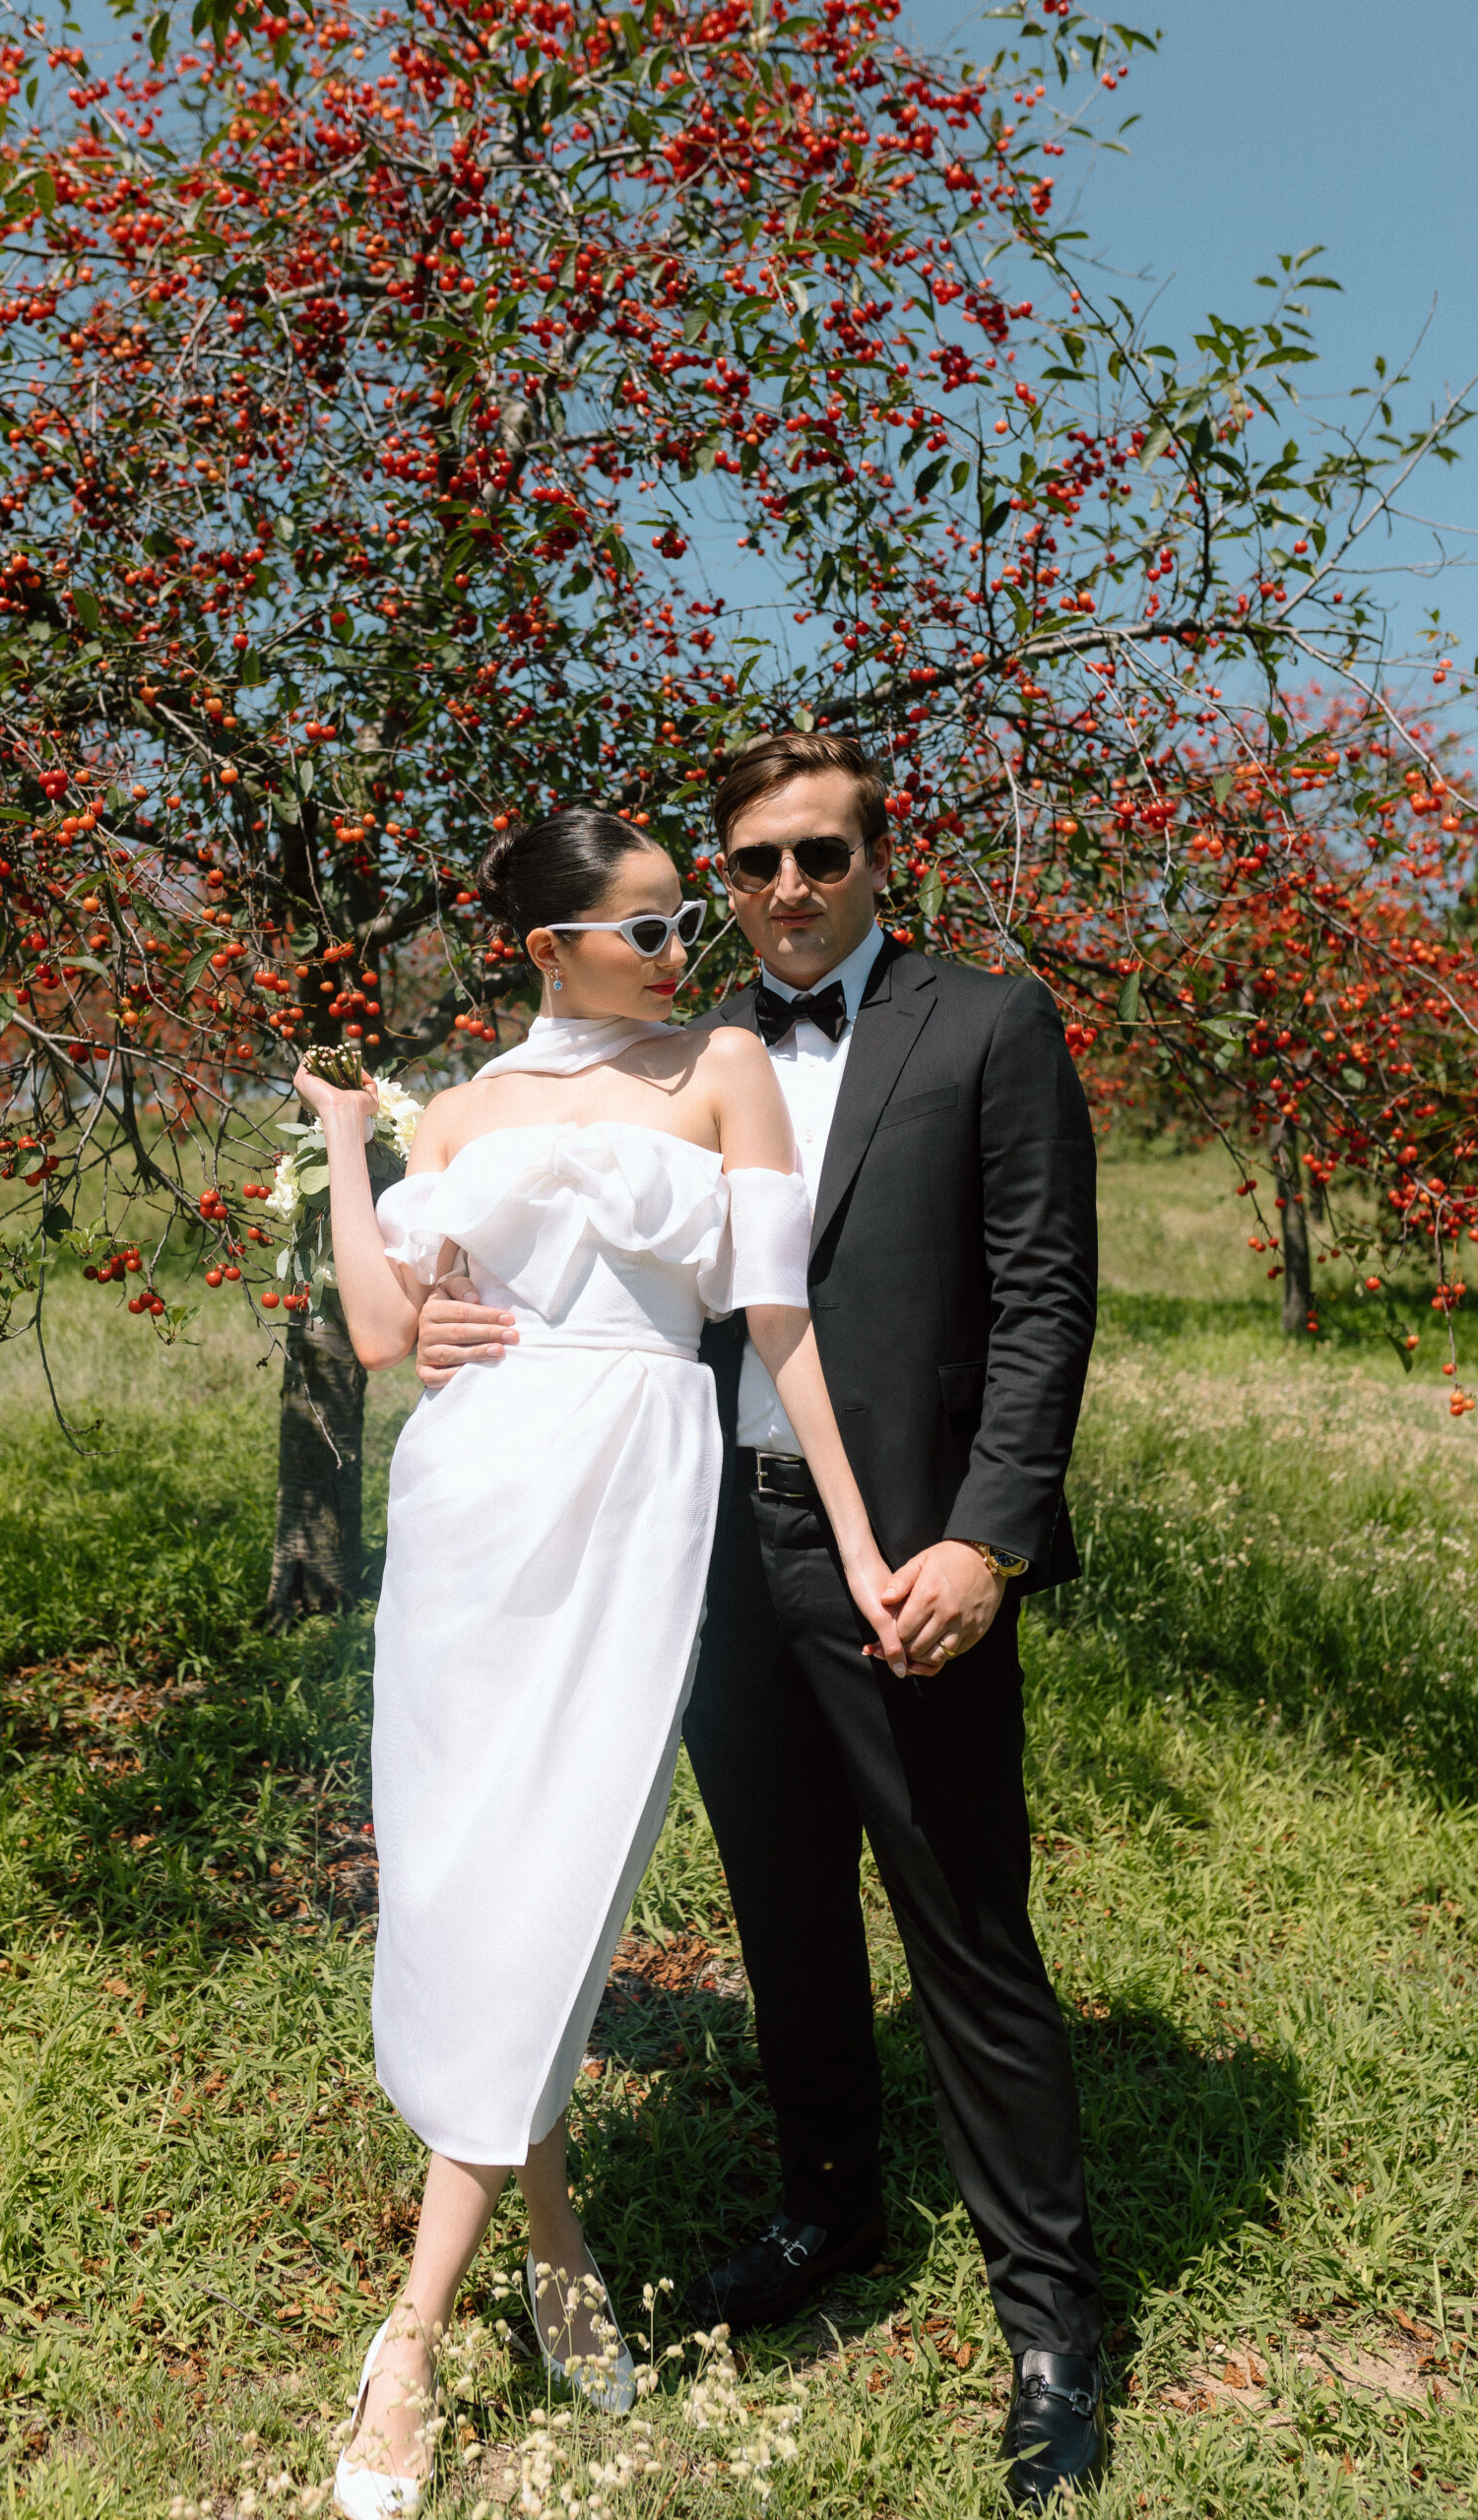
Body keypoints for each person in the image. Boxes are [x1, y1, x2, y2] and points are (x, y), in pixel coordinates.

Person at [416, 733, 1105, 2508]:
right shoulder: (674, 1045)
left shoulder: (986, 1025)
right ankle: (826, 2212)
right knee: (782, 1907)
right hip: (692, 1548)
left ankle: (1050, 2321)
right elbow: (546, 1242)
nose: (786, 890)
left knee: (966, 1920)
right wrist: (438, 1325)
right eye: (752, 864)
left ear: (883, 857)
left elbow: (1043, 1302)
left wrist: (988, 1543)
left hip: (902, 1557)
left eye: (819, 854)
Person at [295, 803, 906, 2518]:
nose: (683, 952)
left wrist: (857, 1538)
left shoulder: (720, 1068)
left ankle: (406, 2338)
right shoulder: (469, 1105)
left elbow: (776, 1323)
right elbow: (379, 1328)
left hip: (641, 1490)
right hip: (474, 1501)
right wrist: (353, 1147)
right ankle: (550, 2243)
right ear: (549, 945)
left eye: (678, 920)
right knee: (473, 1879)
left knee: (565, 1874)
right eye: (644, 930)